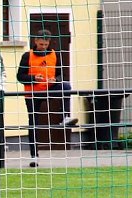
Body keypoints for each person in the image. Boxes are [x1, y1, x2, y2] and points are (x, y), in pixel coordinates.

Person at [16, 29, 77, 167]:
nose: (43, 47)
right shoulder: (27, 56)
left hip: (49, 89)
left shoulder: (55, 55)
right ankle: (34, 156)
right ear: (35, 41)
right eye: (41, 44)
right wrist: (33, 78)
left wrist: (56, 80)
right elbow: (20, 76)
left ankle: (65, 117)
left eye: (46, 44)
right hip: (33, 93)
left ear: (49, 42)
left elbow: (60, 74)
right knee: (33, 122)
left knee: (66, 86)